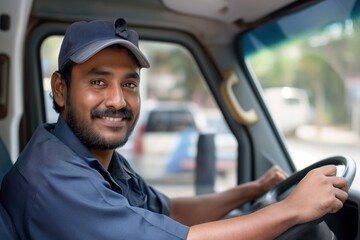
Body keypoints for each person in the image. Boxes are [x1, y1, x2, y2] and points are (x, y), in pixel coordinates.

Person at [0, 18, 348, 240]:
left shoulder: (96, 156)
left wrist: (251, 190)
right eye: (98, 81)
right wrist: (291, 209)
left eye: (130, 84)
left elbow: (169, 213)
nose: (118, 100)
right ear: (60, 89)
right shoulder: (54, 179)